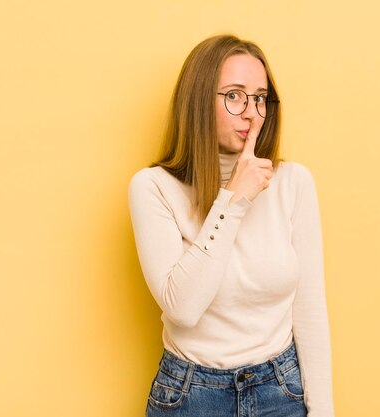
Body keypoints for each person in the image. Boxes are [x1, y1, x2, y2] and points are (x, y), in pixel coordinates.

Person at [128, 34, 335, 417]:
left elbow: (310, 312)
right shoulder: (153, 187)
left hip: (281, 391)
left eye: (259, 97)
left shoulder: (293, 182)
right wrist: (233, 200)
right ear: (199, 101)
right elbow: (184, 308)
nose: (252, 113)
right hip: (191, 396)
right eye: (235, 95)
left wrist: (323, 411)